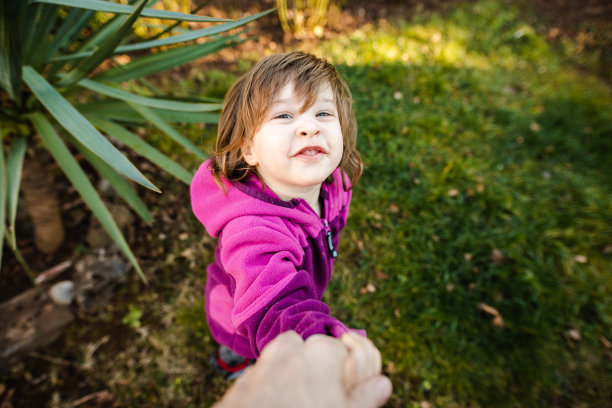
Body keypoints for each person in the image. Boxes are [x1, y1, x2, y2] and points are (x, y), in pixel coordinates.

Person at [190, 51, 368, 374]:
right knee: (242, 348)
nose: (309, 128)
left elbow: (334, 223)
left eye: (323, 113)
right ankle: (233, 363)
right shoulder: (252, 231)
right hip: (240, 316)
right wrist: (319, 343)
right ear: (249, 149)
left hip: (298, 281)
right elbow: (275, 307)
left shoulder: (335, 184)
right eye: (284, 116)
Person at [214, 331, 392, 408]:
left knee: (272, 355)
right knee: (240, 341)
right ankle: (233, 359)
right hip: (239, 316)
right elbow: (253, 267)